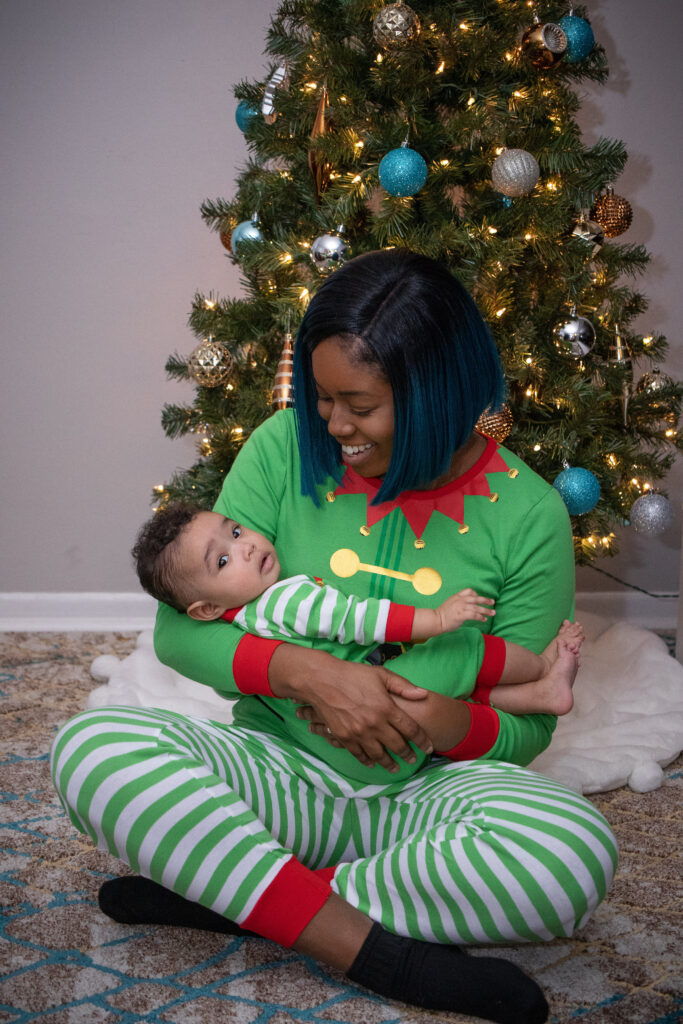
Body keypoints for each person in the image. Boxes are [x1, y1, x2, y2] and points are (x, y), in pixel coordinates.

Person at [51, 250, 617, 1024]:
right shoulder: (283, 448)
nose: (333, 425)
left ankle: (247, 894)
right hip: (277, 768)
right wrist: (310, 675)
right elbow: (182, 636)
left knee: (570, 850)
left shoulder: (528, 513)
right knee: (93, 750)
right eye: (322, 398)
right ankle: (376, 949)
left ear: (437, 395)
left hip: (420, 795)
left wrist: (437, 720)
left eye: (360, 405)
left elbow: (527, 725)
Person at [131, 501, 584, 738]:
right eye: (224, 561)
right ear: (206, 610)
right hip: (382, 669)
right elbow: (361, 620)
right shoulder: (285, 602)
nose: (245, 546)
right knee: (471, 652)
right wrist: (437, 619)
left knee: (465, 693)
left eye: (234, 531)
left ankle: (544, 694)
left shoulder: (250, 621)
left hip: (380, 681)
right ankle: (542, 668)